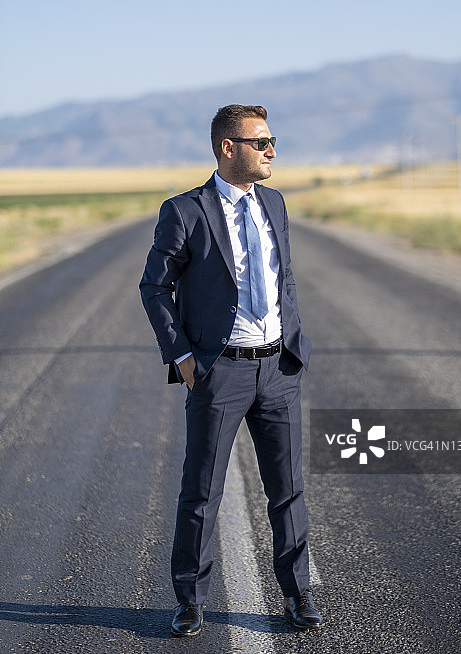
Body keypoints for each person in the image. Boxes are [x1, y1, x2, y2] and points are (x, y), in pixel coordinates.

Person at [139, 104, 323, 637]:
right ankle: (191, 601)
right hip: (220, 373)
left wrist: (294, 344)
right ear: (228, 147)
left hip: (279, 370)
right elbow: (154, 288)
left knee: (288, 490)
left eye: (272, 141)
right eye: (261, 141)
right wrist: (183, 356)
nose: (271, 151)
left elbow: (282, 277)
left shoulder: (275, 203)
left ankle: (298, 595)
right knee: (202, 492)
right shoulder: (186, 211)